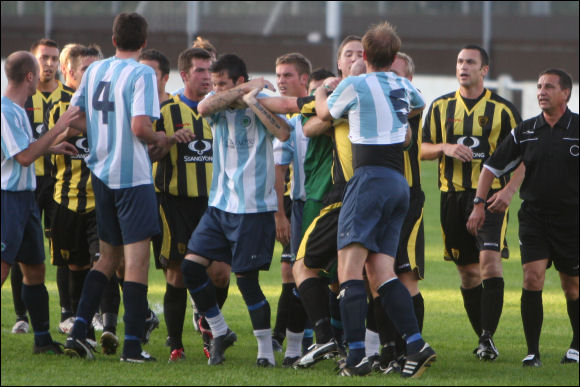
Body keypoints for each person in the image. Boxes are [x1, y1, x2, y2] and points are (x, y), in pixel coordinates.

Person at [315, 22, 435, 377]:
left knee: (348, 269)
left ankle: (355, 357)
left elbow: (324, 115)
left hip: (367, 180)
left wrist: (323, 90)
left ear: (364, 55)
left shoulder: (354, 84)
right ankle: (416, 343)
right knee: (382, 271)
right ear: (395, 56)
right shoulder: (403, 84)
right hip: (399, 183)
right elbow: (417, 106)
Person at [63, 12, 171, 363]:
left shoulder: (94, 70)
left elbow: (75, 117)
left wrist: (102, 130)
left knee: (108, 258)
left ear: (113, 40)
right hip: (133, 178)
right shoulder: (142, 73)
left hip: (101, 173)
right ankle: (132, 347)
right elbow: (141, 128)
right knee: (137, 263)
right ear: (143, 43)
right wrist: (162, 137)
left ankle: (79, 332)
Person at [183, 54, 290, 367]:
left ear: (239, 81)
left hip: (254, 208)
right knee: (191, 267)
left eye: (222, 84)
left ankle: (265, 354)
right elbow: (203, 107)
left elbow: (283, 132)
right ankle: (220, 330)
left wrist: (253, 98)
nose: (215, 90)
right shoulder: (216, 106)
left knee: (246, 282)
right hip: (220, 206)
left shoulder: (264, 100)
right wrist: (243, 90)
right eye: (214, 84)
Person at [467, 68, 578, 367]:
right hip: (535, 219)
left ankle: (577, 346)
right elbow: (491, 167)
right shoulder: (526, 131)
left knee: (572, 286)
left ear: (565, 93)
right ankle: (533, 352)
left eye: (549, 87)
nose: (542, 91)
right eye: (540, 86)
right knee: (532, 279)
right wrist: (479, 203)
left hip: (572, 221)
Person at [421, 44, 524, 360]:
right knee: (467, 274)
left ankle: (487, 338)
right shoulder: (439, 107)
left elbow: (524, 157)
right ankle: (484, 337)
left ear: (484, 70)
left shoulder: (503, 110)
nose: (463, 66)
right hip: (451, 197)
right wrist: (444, 148)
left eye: (470, 62)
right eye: (459, 61)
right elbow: (420, 149)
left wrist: (508, 192)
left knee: (489, 262)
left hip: (491, 198)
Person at [1, 50, 81, 354]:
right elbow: (23, 158)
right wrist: (59, 127)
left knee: (34, 269)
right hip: (8, 199)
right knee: (4, 268)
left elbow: (27, 149)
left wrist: (52, 147)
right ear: (30, 77)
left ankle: (43, 340)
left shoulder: (18, 110)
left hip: (25, 199)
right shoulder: (5, 111)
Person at [146, 47, 215, 362]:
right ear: (184, 75)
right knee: (176, 274)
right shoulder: (166, 110)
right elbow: (149, 156)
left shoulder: (219, 109)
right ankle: (176, 344)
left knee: (220, 274)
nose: (207, 76)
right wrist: (170, 140)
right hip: (173, 203)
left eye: (209, 70)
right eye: (200, 70)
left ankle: (207, 322)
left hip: (212, 204)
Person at [366, 52, 428, 374]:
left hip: (408, 200)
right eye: (387, 73)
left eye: (398, 76)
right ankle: (389, 352)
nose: (391, 82)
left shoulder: (410, 110)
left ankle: (411, 351)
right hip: (377, 199)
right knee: (377, 278)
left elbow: (405, 141)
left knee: (405, 277)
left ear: (410, 83)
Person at [47, 44, 106, 343]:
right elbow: (47, 141)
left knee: (103, 260)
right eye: (86, 69)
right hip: (65, 197)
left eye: (97, 68)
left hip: (101, 200)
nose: (93, 75)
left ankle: (98, 318)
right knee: (72, 263)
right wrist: (71, 128)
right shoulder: (58, 105)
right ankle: (68, 314)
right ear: (68, 71)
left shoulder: (106, 104)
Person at [271, 52, 311, 365]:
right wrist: (280, 214)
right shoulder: (288, 122)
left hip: (331, 204)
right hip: (301, 206)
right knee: (299, 275)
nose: (281, 81)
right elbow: (280, 171)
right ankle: (293, 349)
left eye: (287, 75)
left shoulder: (324, 113)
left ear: (304, 81)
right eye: (278, 75)